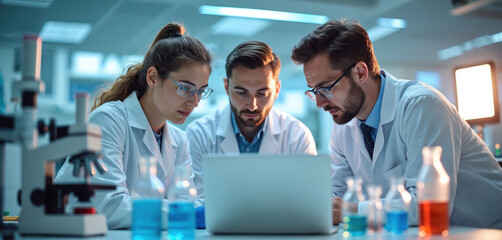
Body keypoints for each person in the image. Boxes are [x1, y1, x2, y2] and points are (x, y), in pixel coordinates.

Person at [291, 20, 502, 228]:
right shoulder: (343, 123)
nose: (319, 103)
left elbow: (426, 206)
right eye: (314, 91)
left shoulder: (422, 105)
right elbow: (336, 197)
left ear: (360, 73)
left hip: (485, 230)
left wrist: (351, 209)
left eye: (325, 88)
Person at [55, 23, 213, 229]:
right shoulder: (108, 120)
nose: (195, 101)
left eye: (201, 91)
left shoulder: (178, 140)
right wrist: (186, 213)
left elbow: (185, 204)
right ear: (153, 78)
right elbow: (107, 206)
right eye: (185, 88)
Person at [186, 41, 317, 203]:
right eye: (241, 92)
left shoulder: (297, 135)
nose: (252, 105)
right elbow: (196, 202)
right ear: (226, 87)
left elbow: (307, 201)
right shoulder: (199, 134)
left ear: (276, 90)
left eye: (262, 93)